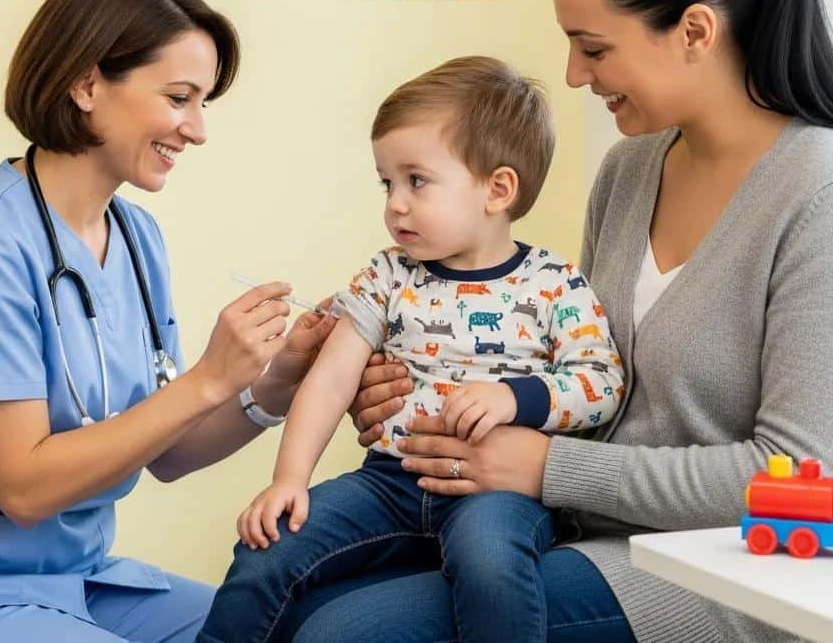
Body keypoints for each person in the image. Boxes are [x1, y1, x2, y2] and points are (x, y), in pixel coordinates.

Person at [273, 0, 833, 643]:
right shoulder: (632, 169)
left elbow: (804, 477)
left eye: (594, 47)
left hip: (732, 572)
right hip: (581, 531)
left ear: (695, 32)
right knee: (292, 594)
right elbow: (570, 368)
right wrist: (429, 396)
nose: (574, 76)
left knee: (343, 634)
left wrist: (548, 469)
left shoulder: (831, 193)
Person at [0, 0, 337, 643]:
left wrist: (272, 385)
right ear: (87, 82)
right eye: (180, 98)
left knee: (296, 628)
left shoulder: (135, 238)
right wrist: (207, 378)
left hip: (79, 580)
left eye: (203, 104)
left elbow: (164, 452)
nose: (198, 130)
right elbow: (23, 487)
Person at [197, 55, 624, 643]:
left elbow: (601, 384)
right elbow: (330, 378)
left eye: (416, 180)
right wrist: (289, 479)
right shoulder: (386, 276)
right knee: (267, 548)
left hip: (494, 491)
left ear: (497, 189)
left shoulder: (555, 284)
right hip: (389, 482)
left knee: (492, 568)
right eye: (387, 182)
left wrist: (514, 399)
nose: (395, 203)